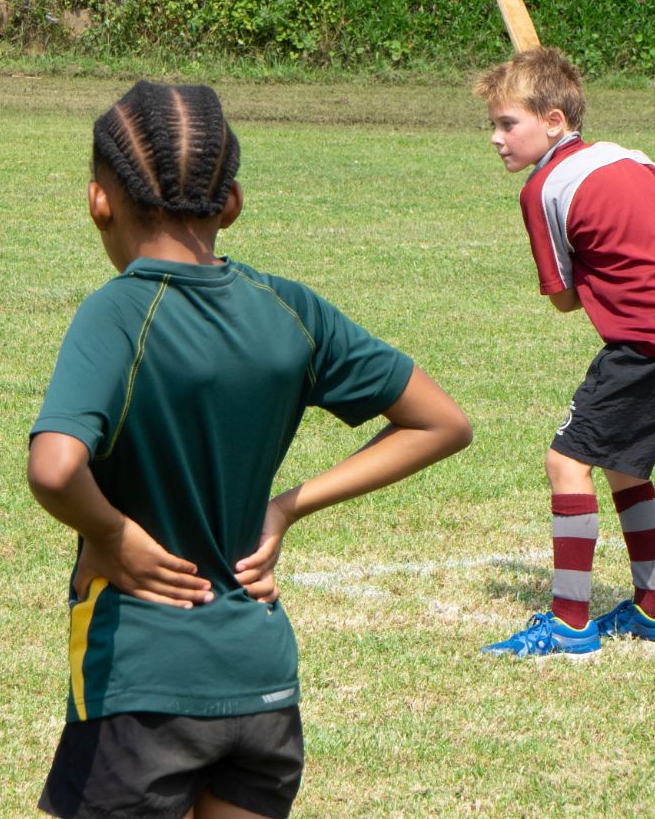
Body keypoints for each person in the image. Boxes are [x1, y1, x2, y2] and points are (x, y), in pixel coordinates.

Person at [27, 81, 471, 818]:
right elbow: (441, 423)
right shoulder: (290, 310)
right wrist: (287, 508)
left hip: (143, 685)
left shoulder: (118, 312)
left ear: (98, 200)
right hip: (263, 686)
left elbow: (54, 467)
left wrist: (111, 535)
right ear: (230, 202)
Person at [472, 47, 655, 656]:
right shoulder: (628, 156)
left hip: (648, 338)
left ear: (554, 121)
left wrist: (597, 257)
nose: (496, 140)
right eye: (494, 126)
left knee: (567, 462)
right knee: (623, 464)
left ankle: (570, 623)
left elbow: (561, 300)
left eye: (508, 124)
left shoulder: (543, 191)